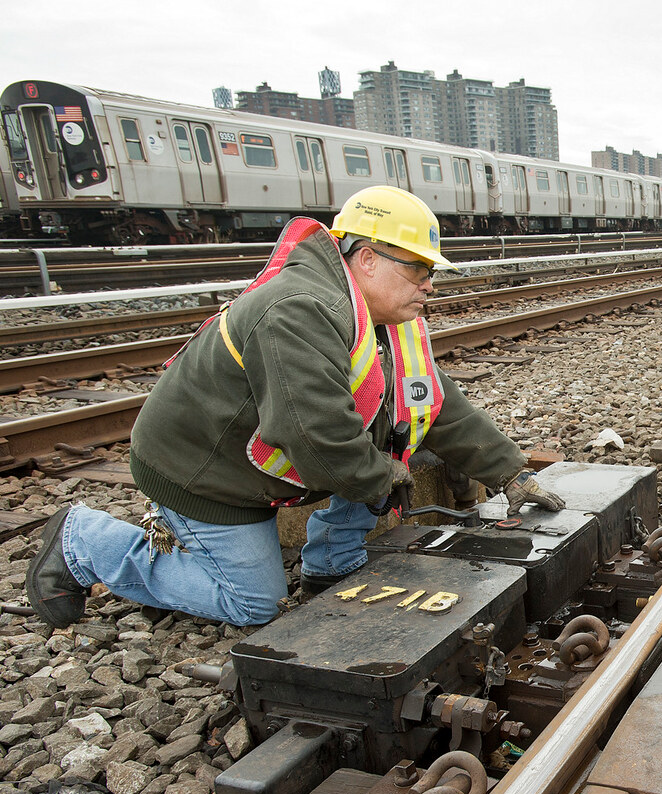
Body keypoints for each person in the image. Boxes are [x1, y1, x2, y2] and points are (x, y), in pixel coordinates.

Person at [25, 186, 565, 629]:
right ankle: (85, 542)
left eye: (432, 272)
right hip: (203, 472)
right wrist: (383, 478)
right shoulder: (298, 311)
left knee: (395, 446)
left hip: (258, 462)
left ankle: (330, 565)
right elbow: (317, 440)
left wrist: (510, 473)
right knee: (254, 603)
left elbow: (432, 403)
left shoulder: (377, 318)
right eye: (418, 270)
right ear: (368, 259)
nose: (430, 284)